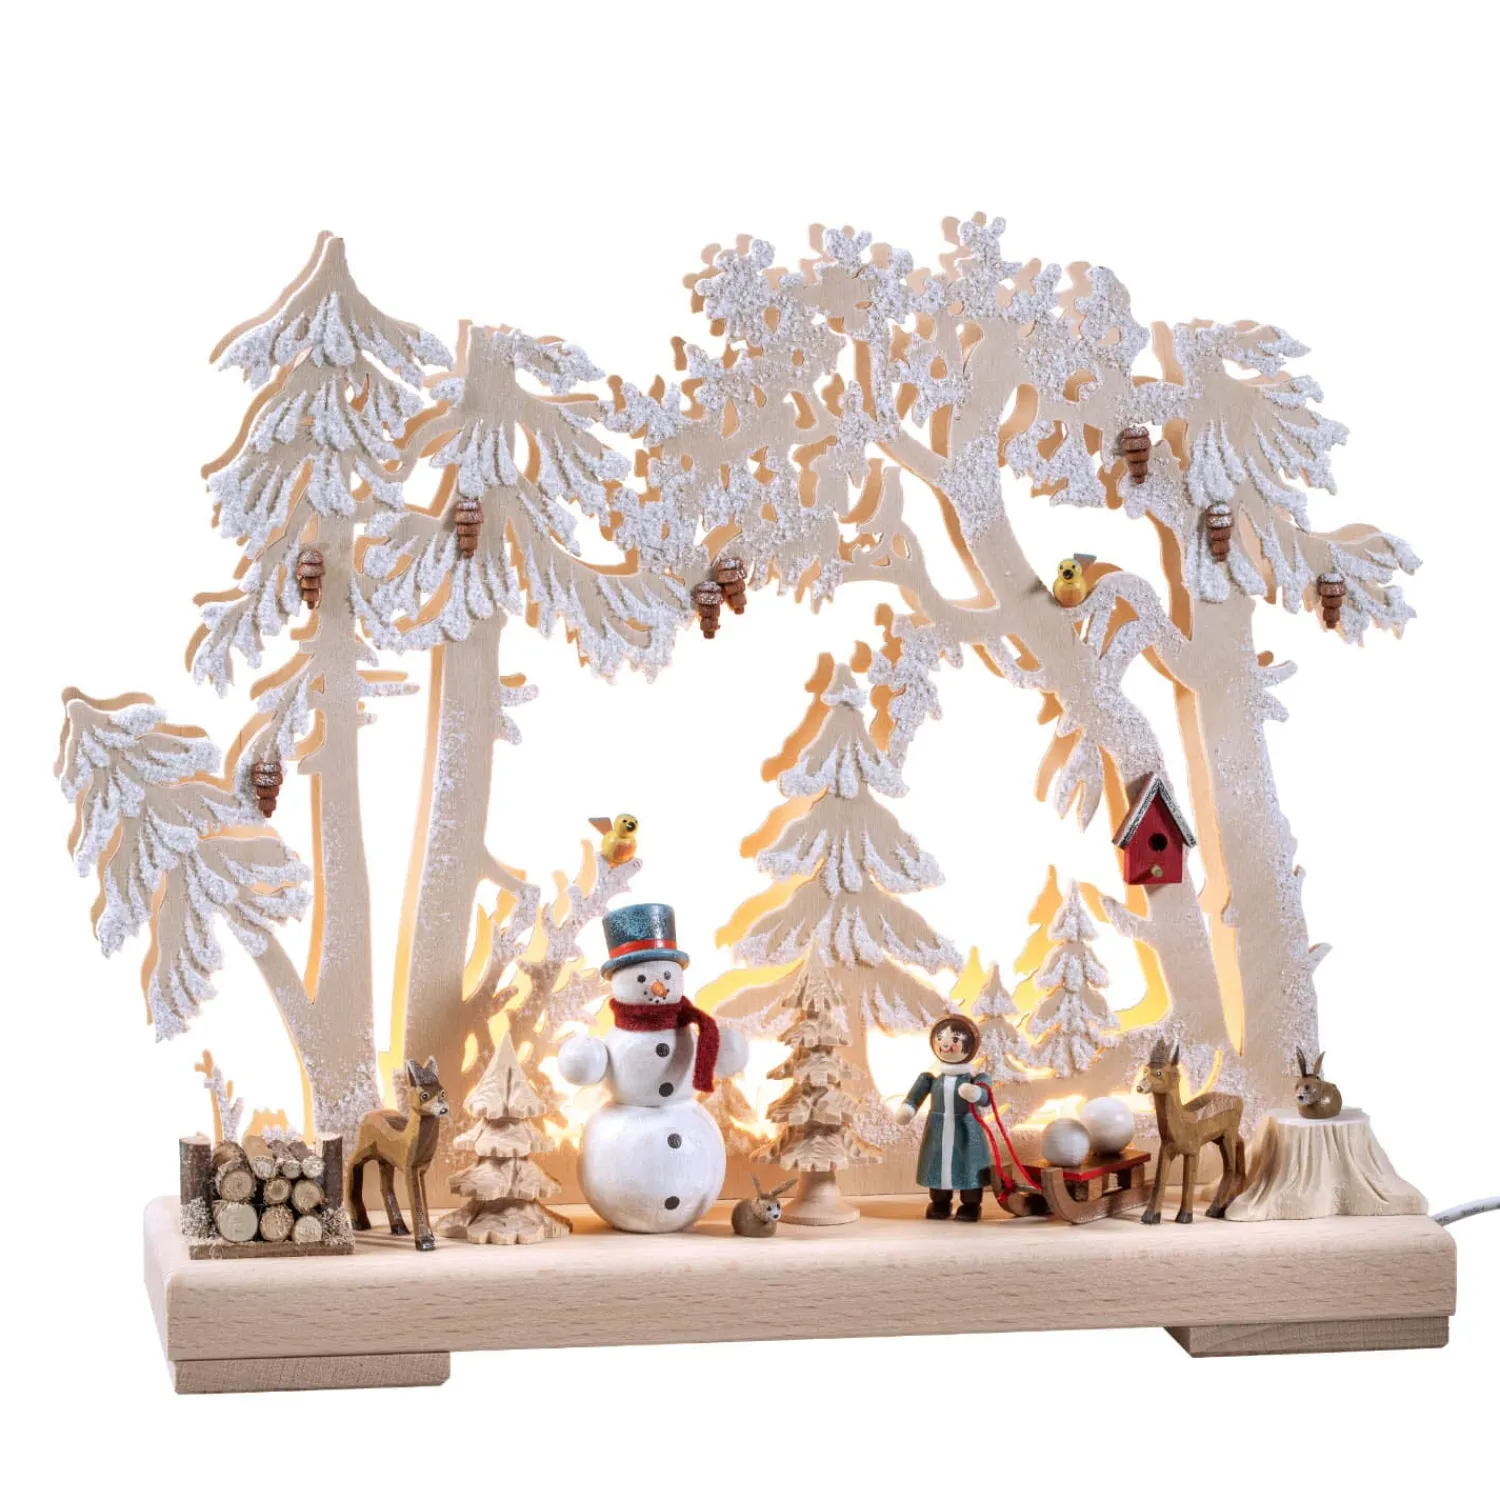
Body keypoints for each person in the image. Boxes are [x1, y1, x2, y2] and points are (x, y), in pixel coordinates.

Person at [895, 1015, 994, 1221]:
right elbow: (914, 1098)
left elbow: (985, 1097)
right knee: (937, 1166)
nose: (946, 1045)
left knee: (968, 1168)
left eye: (955, 1040)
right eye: (940, 1039)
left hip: (967, 1131)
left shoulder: (977, 1079)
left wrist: (976, 1093)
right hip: (938, 1132)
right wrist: (908, 1109)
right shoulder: (930, 1079)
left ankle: (970, 1205)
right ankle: (940, 1203)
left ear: (970, 1046)